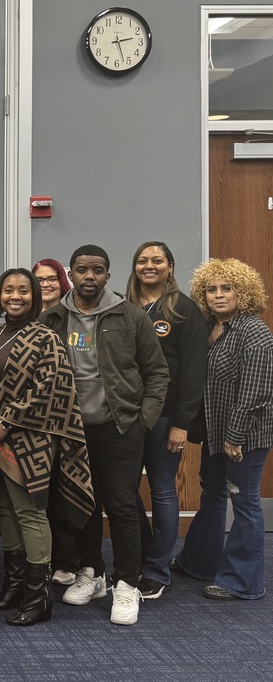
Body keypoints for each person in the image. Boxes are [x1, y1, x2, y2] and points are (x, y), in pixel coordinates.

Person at [40, 245, 169, 626]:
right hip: (71, 430)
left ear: (108, 275)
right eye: (82, 270)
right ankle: (92, 572)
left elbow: (157, 372)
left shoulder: (130, 315)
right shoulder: (52, 317)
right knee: (84, 502)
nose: (89, 276)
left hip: (120, 426)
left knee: (122, 503)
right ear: (71, 274)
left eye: (97, 270)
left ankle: (127, 582)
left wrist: (142, 421)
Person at [0, 269, 94, 626]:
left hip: (29, 436)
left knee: (29, 511)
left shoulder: (46, 337)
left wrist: (7, 421)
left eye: (23, 290)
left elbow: (48, 388)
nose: (16, 296)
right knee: (6, 509)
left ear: (34, 297)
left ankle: (39, 597)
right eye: (8, 290)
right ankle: (15, 585)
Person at [176, 258, 273, 601]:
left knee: (243, 501)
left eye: (226, 288)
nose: (218, 295)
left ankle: (243, 582)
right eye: (211, 289)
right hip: (216, 433)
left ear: (242, 292)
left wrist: (235, 436)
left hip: (243, 437)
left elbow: (255, 392)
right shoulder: (209, 327)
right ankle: (198, 563)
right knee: (213, 493)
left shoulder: (254, 331)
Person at [125, 242, 206, 599]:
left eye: (157, 260)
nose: (150, 265)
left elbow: (193, 372)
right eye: (143, 260)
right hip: (125, 415)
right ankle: (141, 556)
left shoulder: (185, 311)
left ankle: (157, 571)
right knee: (123, 491)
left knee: (161, 489)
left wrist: (182, 423)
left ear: (170, 267)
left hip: (166, 416)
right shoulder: (123, 307)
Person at [33, 257, 78, 586]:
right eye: (39, 280)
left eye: (52, 279)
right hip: (34, 419)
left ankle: (69, 560)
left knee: (66, 491)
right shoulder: (26, 317)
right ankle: (43, 560)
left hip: (67, 415)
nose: (45, 284)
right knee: (40, 494)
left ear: (63, 281)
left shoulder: (72, 316)